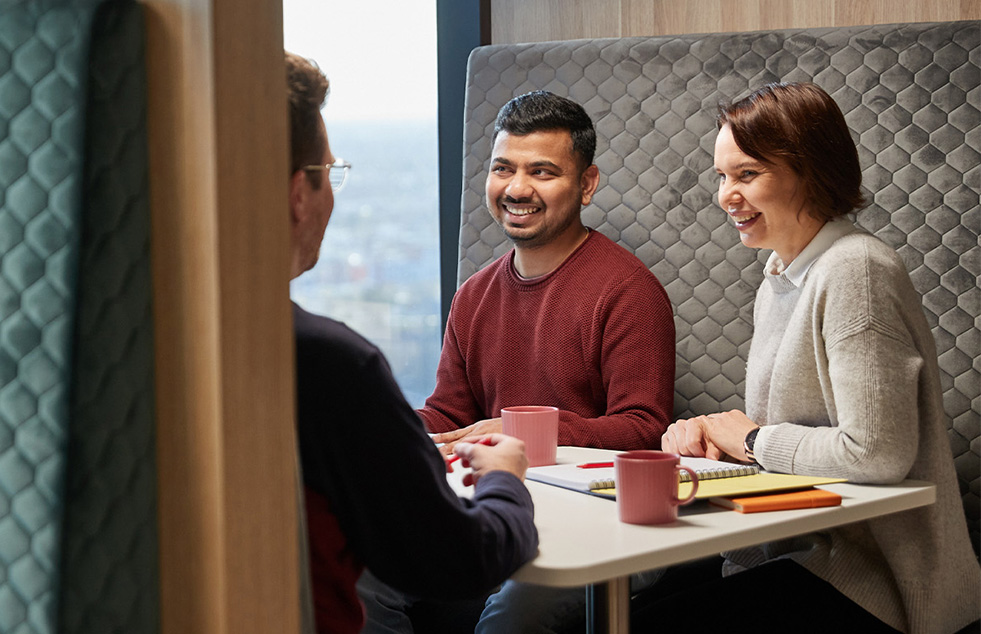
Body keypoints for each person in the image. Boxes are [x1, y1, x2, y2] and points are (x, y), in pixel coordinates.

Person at [648, 82, 980, 633]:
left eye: (747, 175)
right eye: (722, 177)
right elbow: (799, 437)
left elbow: (876, 453)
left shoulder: (857, 271)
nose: (726, 195)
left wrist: (752, 440)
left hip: (873, 583)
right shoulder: (781, 275)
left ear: (811, 171)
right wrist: (719, 440)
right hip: (800, 551)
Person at [357, 90, 677, 633]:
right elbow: (449, 411)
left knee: (516, 610)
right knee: (360, 574)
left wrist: (523, 434)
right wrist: (386, 433)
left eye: (543, 171)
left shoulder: (629, 291)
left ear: (587, 183)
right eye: (503, 168)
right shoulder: (475, 295)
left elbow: (645, 427)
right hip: (497, 507)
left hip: (602, 520)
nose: (517, 189)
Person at [285, 51, 539, 634]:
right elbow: (461, 558)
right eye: (331, 172)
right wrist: (505, 479)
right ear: (301, 192)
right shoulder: (330, 365)